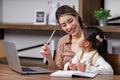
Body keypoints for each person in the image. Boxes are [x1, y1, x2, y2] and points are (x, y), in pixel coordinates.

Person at [40, 5, 85, 70]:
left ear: (76, 16)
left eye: (70, 21)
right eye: (64, 25)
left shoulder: (92, 35)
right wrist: (49, 57)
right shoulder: (62, 41)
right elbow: (57, 70)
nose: (69, 27)